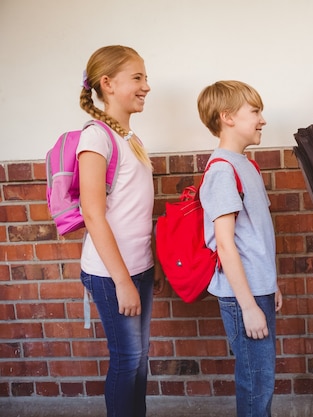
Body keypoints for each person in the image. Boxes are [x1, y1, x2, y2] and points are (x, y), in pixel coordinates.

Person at [78, 45, 164, 417]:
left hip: (138, 268)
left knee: (139, 361)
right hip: (113, 274)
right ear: (108, 83)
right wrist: (123, 281)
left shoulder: (131, 138)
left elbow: (134, 210)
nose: (147, 86)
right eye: (138, 78)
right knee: (127, 361)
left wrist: (150, 263)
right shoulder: (96, 138)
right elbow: (93, 215)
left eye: (145, 77)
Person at [197, 80, 283, 417]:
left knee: (261, 380)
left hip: (256, 290)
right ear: (227, 117)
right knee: (255, 382)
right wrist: (248, 306)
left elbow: (256, 237)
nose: (262, 120)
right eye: (255, 111)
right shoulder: (222, 170)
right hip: (241, 296)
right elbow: (225, 243)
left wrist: (270, 284)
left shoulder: (246, 164)